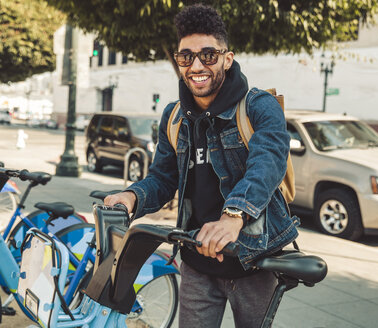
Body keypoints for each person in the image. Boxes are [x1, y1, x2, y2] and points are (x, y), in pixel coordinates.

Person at [105, 4, 299, 327]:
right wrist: (132, 198)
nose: (196, 65)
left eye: (208, 55)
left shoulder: (259, 107)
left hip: (254, 262)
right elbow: (162, 179)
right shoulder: (174, 117)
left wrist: (232, 216)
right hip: (196, 262)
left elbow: (267, 164)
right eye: (186, 57)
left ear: (227, 57)